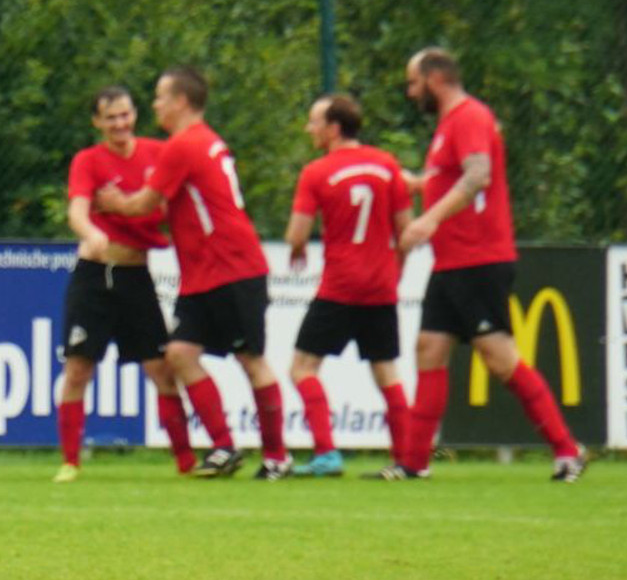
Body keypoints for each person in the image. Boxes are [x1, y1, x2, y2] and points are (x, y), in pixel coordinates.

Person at [389, 48, 588, 481]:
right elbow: (456, 177)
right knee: (429, 348)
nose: (410, 92)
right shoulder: (449, 125)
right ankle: (413, 464)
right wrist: (419, 183)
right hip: (452, 262)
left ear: (436, 77)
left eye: (413, 82)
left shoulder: (469, 117)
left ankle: (567, 450)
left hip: (479, 259)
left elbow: (478, 175)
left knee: (499, 358)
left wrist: (428, 218)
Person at [97, 67, 290, 479]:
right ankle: (224, 448)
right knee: (180, 354)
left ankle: (277, 457)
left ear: (181, 101)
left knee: (251, 360)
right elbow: (174, 206)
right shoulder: (204, 143)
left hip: (232, 266)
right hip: (205, 272)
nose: (155, 105)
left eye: (160, 97)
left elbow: (144, 203)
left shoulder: (183, 145)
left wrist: (111, 203)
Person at [54, 85, 194, 483]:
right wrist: (92, 233)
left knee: (161, 368)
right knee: (79, 368)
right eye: (110, 117)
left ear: (135, 115)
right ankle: (70, 462)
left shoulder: (158, 153)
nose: (120, 123)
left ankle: (186, 461)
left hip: (136, 276)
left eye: (125, 114)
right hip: (94, 276)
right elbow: (78, 210)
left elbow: (170, 204)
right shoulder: (88, 161)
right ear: (97, 122)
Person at [283, 95, 413, 476]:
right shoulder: (388, 166)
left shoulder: (317, 172)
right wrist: (395, 269)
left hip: (339, 286)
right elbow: (406, 232)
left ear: (334, 128)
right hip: (380, 287)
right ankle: (405, 460)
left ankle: (326, 453)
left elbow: (295, 233)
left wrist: (297, 248)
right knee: (386, 370)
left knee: (303, 368)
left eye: (314, 123)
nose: (310, 130)